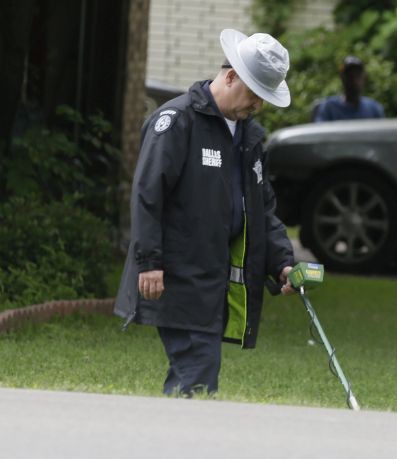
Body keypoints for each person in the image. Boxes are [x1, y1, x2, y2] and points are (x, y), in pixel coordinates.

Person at [114, 29, 296, 397]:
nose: (257, 106)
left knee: (197, 371)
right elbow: (148, 195)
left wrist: (283, 263)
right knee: (196, 374)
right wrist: (149, 262)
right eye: (254, 94)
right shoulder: (176, 121)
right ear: (230, 76)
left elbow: (262, 210)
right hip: (178, 276)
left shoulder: (249, 137)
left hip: (213, 282)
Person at [313, 56, 385, 122]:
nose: (354, 80)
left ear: (364, 77)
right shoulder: (328, 107)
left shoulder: (374, 109)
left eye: (358, 75)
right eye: (350, 76)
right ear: (342, 78)